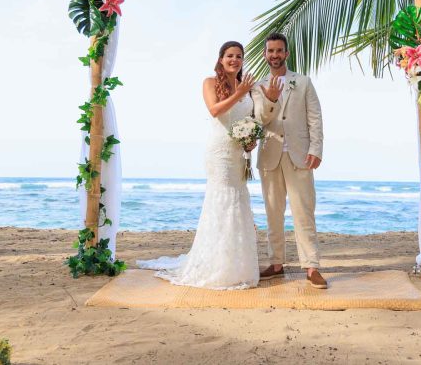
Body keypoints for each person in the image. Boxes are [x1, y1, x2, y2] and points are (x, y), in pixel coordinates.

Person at [137, 41, 272, 289]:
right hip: (219, 152)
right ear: (221, 59)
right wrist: (240, 93)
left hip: (238, 153)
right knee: (222, 201)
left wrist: (250, 140)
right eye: (230, 55)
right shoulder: (210, 83)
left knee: (239, 202)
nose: (235, 60)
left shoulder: (248, 87)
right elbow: (214, 110)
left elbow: (249, 118)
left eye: (239, 56)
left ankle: (236, 265)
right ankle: (216, 265)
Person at [251, 32, 327, 289]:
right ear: (265, 54)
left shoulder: (303, 82)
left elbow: (315, 117)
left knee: (304, 211)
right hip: (270, 156)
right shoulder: (257, 86)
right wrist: (271, 99)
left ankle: (311, 266)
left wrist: (316, 148)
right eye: (270, 51)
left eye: (279, 50)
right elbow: (260, 119)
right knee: (273, 212)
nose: (274, 55)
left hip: (300, 155)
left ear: (287, 53)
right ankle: (275, 264)